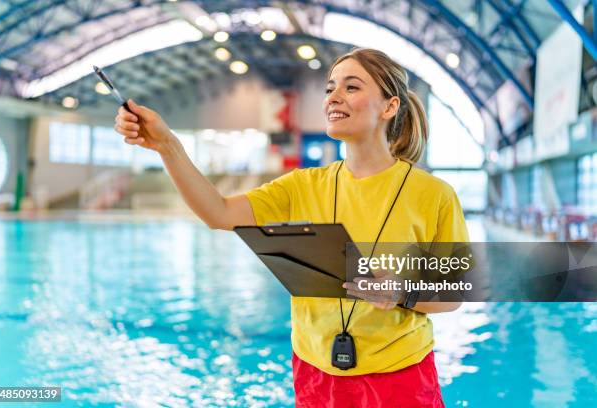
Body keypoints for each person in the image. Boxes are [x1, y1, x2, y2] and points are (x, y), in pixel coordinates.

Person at [115, 47, 468, 407]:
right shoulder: (302, 185)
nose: (333, 96)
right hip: (315, 372)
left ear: (389, 106)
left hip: (399, 376)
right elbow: (217, 213)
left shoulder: (433, 194)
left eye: (351, 87)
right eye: (330, 87)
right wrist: (167, 146)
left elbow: (454, 294)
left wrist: (401, 293)